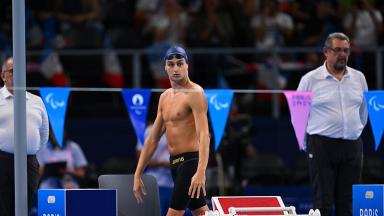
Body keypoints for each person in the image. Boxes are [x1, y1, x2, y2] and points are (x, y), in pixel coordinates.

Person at [133, 46, 210, 216]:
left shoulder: (195, 93)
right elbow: (153, 139)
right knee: (201, 212)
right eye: (171, 64)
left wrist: (201, 171)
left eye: (180, 64)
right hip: (174, 163)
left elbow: (204, 134)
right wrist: (138, 173)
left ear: (187, 66)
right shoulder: (165, 97)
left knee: (173, 214)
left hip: (191, 162)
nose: (176, 68)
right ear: (165, 67)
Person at [297, 32, 368, 216]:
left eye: (346, 50)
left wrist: (355, 131)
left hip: (352, 145)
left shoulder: (359, 78)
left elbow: (363, 112)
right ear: (326, 52)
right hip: (321, 145)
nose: (342, 55)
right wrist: (308, 144)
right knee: (323, 204)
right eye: (337, 50)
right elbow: (298, 116)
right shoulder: (309, 80)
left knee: (348, 204)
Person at [0, 57, 49, 216]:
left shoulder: (37, 101)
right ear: (3, 76)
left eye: (21, 71)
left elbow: (44, 134)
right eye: (13, 71)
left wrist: (29, 149)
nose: (18, 75)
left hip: (29, 162)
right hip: (2, 160)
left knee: (24, 209)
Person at [136, 123, 173, 216]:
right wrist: (161, 164)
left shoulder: (181, 128)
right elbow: (140, 157)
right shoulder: (150, 130)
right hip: (156, 183)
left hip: (175, 184)